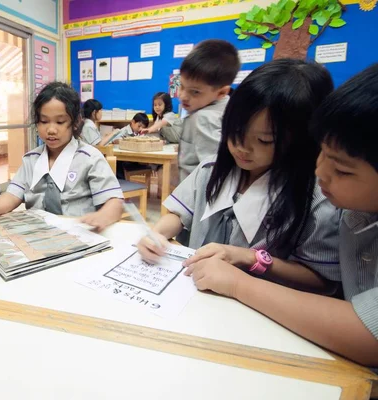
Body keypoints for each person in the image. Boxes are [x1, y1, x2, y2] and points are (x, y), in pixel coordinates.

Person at [183, 64, 378, 367]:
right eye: (322, 153)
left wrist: (239, 282)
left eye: (342, 169)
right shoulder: (355, 209)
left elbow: (363, 329)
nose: (320, 172)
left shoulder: (318, 199)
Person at [138, 59, 340, 293]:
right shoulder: (212, 169)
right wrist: (157, 235)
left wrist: (250, 258)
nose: (242, 148)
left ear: (301, 139)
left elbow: (322, 280)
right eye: (234, 131)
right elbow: (180, 214)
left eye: (264, 140)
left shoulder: (318, 198)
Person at [0, 82, 124, 233]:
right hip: (38, 235)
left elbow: (115, 202)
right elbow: (12, 195)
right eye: (44, 121)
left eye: (60, 122)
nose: (51, 130)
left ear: (75, 123)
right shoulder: (31, 159)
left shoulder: (90, 158)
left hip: (79, 235)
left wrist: (103, 216)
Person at [143, 39, 241, 182]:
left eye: (195, 92)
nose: (183, 96)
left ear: (221, 93)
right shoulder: (226, 107)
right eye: (182, 87)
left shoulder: (204, 117)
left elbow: (212, 169)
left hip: (199, 194)